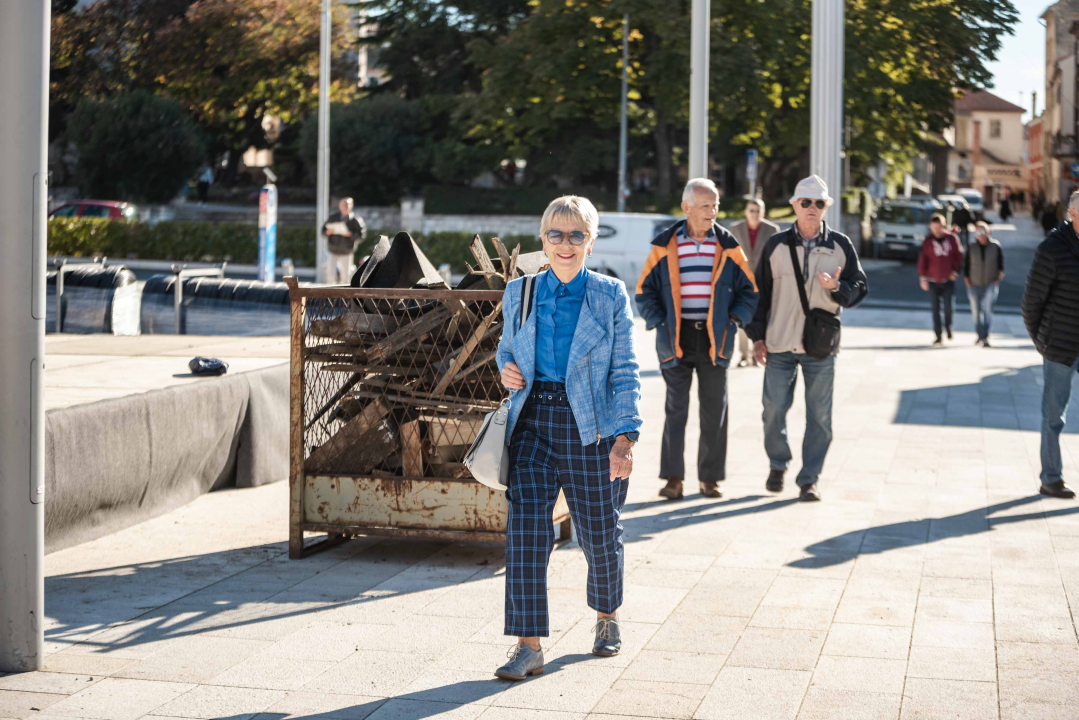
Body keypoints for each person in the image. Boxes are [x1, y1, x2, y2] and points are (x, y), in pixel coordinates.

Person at [494, 196, 642, 680]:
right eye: (555, 235)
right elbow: (504, 350)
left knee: (599, 534)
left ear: (591, 241)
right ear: (543, 240)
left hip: (591, 429)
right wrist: (507, 370)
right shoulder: (520, 292)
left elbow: (625, 370)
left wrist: (626, 438)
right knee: (526, 534)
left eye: (576, 235)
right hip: (533, 422)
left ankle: (606, 617)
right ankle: (528, 644)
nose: (564, 244)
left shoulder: (609, 295)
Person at [745, 175, 868, 502]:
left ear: (826, 206)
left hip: (821, 348)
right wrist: (757, 337)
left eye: (818, 203)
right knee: (772, 409)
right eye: (805, 202)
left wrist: (837, 289)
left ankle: (809, 478)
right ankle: (777, 463)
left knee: (820, 417)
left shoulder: (841, 245)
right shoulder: (775, 244)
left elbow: (860, 288)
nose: (811, 208)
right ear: (795, 206)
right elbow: (759, 294)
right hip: (779, 343)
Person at [636, 179, 759, 501]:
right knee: (676, 409)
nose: (713, 211)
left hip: (715, 339)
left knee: (714, 410)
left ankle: (710, 479)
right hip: (675, 337)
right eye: (706, 205)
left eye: (716, 205)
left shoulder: (729, 246)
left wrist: (734, 320)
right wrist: (659, 322)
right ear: (686, 207)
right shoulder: (665, 245)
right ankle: (674, 479)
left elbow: (750, 291)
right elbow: (643, 290)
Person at [1022, 189, 1079, 500]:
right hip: (1060, 347)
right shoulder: (1052, 250)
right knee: (1054, 415)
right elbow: (1031, 303)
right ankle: (1051, 479)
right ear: (1073, 214)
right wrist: (1042, 341)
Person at [730, 198, 779, 367]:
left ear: (763, 212)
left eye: (758, 211)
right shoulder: (735, 229)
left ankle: (756, 353)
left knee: (760, 317)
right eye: (751, 210)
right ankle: (744, 355)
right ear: (746, 212)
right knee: (743, 318)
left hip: (763, 283)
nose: (754, 214)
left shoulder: (772, 230)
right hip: (742, 282)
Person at [917, 214, 963, 346]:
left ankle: (948, 326)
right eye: (933, 228)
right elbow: (922, 261)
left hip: (948, 279)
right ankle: (938, 335)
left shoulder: (952, 239)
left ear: (943, 226)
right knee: (935, 309)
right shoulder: (928, 242)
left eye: (938, 227)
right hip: (932, 280)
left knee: (949, 307)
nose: (936, 230)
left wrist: (955, 272)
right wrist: (923, 278)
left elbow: (958, 257)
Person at [964, 221, 1004, 347]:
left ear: (988, 233)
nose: (981, 234)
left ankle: (985, 336)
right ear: (975, 234)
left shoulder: (996, 246)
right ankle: (979, 334)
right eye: (978, 232)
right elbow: (966, 267)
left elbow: (1001, 266)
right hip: (974, 284)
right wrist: (967, 282)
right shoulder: (971, 247)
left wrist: (997, 279)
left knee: (988, 310)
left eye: (983, 231)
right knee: (976, 312)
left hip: (990, 284)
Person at [322, 197, 366, 284]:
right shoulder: (333, 217)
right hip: (333, 250)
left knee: (345, 277)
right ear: (339, 206)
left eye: (347, 205)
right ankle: (330, 296)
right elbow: (323, 231)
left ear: (351, 205)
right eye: (343, 205)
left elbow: (361, 236)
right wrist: (328, 232)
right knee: (330, 276)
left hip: (346, 251)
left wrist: (350, 235)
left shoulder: (356, 220)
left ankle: (344, 297)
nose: (345, 207)